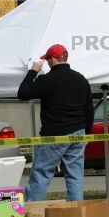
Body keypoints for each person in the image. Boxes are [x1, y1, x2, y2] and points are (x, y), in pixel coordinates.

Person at [17, 44, 93, 201]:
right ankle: (76, 214)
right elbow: (89, 110)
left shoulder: (47, 80)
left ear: (52, 60)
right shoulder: (80, 79)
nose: (47, 63)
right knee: (75, 177)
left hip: (54, 135)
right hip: (78, 133)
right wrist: (87, 134)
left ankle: (32, 213)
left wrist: (33, 71)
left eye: (47, 60)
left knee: (42, 175)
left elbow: (23, 93)